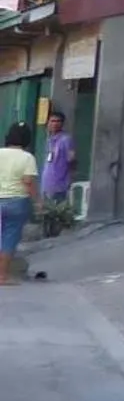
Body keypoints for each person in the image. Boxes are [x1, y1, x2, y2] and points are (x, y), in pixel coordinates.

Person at [0, 124, 37, 284]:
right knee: (9, 239)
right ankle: (2, 276)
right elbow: (28, 182)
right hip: (17, 202)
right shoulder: (28, 158)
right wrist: (38, 201)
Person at [39, 109, 73, 209]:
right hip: (47, 181)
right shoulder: (49, 140)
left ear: (62, 123)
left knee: (57, 211)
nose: (55, 124)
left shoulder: (66, 139)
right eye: (52, 121)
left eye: (58, 121)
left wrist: (70, 177)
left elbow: (71, 159)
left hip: (60, 182)